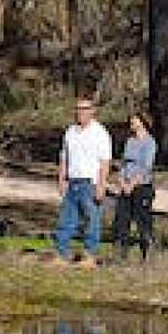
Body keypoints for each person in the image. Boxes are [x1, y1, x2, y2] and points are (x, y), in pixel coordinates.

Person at [53, 97, 113, 269]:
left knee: (92, 220)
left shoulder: (100, 132)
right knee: (66, 219)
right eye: (78, 109)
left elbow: (105, 161)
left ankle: (89, 256)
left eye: (85, 108)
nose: (81, 112)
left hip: (90, 183)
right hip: (72, 182)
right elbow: (64, 156)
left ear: (93, 110)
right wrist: (62, 178)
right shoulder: (70, 131)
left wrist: (101, 185)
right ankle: (62, 254)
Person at [114, 112, 157, 260]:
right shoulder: (130, 141)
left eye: (135, 120)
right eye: (131, 120)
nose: (131, 122)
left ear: (143, 122)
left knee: (142, 221)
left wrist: (132, 183)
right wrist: (121, 180)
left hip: (141, 187)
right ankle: (122, 252)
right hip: (125, 186)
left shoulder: (150, 142)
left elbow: (146, 167)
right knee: (121, 219)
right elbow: (124, 163)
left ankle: (147, 251)